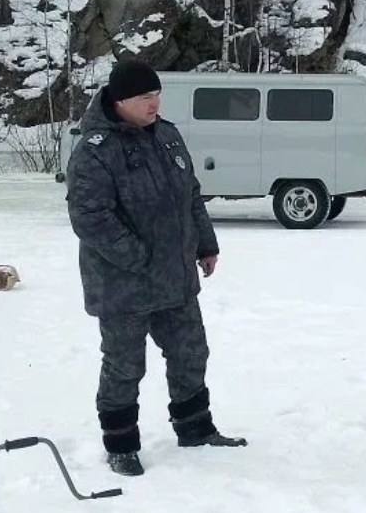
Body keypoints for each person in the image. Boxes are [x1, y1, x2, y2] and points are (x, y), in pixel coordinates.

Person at [64, 59, 246, 475]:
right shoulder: (95, 150)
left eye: (156, 94)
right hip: (122, 284)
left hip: (175, 278)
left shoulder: (167, 135)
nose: (154, 103)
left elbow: (191, 195)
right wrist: (138, 258)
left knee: (190, 352)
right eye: (145, 96)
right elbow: (90, 217)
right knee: (125, 365)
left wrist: (205, 243)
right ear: (120, 100)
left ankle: (195, 427)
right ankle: (121, 444)